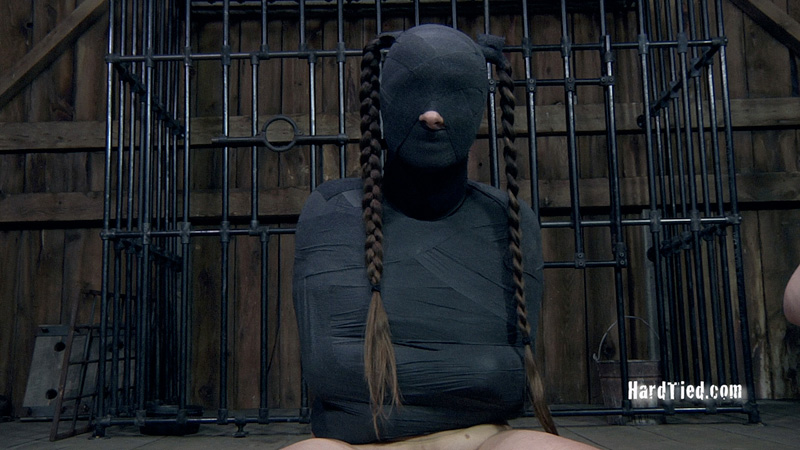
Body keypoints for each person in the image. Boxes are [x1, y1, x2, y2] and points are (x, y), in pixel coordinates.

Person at [288, 24, 594, 449]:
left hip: (482, 441)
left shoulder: (506, 219)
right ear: (386, 102)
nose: (432, 115)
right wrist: (474, 370)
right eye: (415, 92)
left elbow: (513, 383)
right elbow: (331, 370)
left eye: (453, 93)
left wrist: (407, 370)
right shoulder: (332, 211)